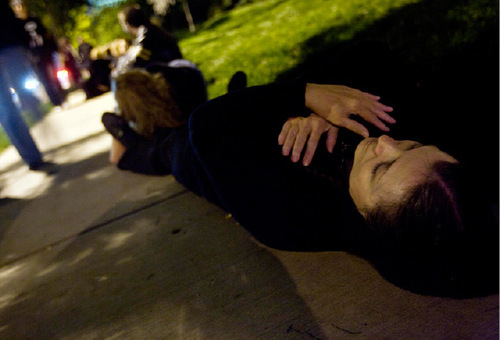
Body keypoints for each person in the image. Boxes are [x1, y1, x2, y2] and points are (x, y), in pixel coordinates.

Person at [103, 43, 498, 298]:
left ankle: (127, 142)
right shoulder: (429, 183)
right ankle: (237, 96)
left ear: (367, 218)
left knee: (169, 142)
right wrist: (318, 110)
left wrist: (305, 95)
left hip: (202, 159)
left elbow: (206, 128)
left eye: (381, 168)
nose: (385, 142)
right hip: (249, 126)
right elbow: (371, 57)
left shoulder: (292, 217)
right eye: (410, 145)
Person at [0, 2, 52, 171]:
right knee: (6, 108)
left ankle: (33, 156)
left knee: (9, 106)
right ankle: (32, 157)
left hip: (9, 45)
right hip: (10, 46)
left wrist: (22, 40)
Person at [10, 0, 66, 106]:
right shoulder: (16, 25)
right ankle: (56, 102)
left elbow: (46, 33)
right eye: (17, 6)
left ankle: (63, 96)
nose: (20, 8)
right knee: (44, 78)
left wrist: (54, 47)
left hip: (45, 52)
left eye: (21, 5)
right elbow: (20, 43)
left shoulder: (34, 19)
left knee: (54, 74)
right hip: (33, 56)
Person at [113, 5, 183, 77]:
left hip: (171, 76)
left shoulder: (145, 36)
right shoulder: (151, 30)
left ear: (127, 24)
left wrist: (116, 73)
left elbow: (133, 64)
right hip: (175, 71)